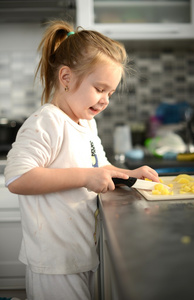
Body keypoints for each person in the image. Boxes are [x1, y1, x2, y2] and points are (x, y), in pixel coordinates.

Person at [4, 20, 159, 300]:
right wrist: (86, 177)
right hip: (53, 260)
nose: (105, 101)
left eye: (110, 93)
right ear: (66, 77)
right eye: (100, 89)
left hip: (80, 251)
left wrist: (129, 173)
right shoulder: (47, 122)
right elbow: (17, 178)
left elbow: (98, 168)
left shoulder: (86, 124)